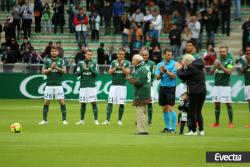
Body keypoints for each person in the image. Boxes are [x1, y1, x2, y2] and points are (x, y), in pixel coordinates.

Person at [175, 54, 206, 135]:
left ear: (187, 61)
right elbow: (187, 75)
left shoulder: (191, 67)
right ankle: (201, 131)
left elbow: (182, 76)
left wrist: (178, 69)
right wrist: (181, 68)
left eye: (184, 61)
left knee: (192, 112)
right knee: (198, 111)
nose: (183, 62)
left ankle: (193, 131)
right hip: (202, 91)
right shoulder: (198, 66)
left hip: (194, 92)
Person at [39, 46, 68, 125]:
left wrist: (57, 68)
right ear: (50, 52)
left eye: (55, 51)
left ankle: (64, 120)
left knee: (62, 102)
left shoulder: (61, 60)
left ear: (58, 52)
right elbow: (43, 72)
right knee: (46, 102)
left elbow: (64, 71)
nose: (54, 52)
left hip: (58, 85)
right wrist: (50, 68)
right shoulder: (47, 61)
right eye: (52, 51)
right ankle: (44, 120)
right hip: (49, 85)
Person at [102, 48, 131, 125]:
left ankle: (119, 120)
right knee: (110, 102)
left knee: (121, 103)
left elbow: (127, 72)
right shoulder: (113, 62)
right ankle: (107, 120)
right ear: (117, 54)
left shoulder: (127, 62)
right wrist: (115, 67)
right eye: (119, 54)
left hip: (122, 86)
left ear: (124, 55)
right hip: (113, 85)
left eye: (122, 54)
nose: (121, 56)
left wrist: (122, 66)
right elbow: (110, 72)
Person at [126, 54, 151, 135]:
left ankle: (142, 130)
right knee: (143, 111)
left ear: (138, 61)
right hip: (146, 91)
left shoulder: (141, 69)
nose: (132, 61)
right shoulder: (145, 67)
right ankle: (144, 129)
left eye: (133, 60)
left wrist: (129, 78)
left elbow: (138, 82)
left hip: (141, 92)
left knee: (140, 111)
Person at [210, 46, 234, 128]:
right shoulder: (217, 60)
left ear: (227, 52)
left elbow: (229, 72)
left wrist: (220, 67)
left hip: (225, 86)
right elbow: (211, 72)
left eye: (224, 51)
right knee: (217, 104)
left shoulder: (230, 61)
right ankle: (217, 123)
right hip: (216, 86)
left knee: (228, 104)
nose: (222, 53)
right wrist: (214, 66)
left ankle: (231, 122)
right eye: (220, 51)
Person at [155, 49, 177, 133]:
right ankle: (167, 128)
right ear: (164, 55)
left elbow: (173, 76)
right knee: (164, 108)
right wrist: (161, 73)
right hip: (162, 88)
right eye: (168, 55)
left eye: (171, 55)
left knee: (170, 108)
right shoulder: (159, 64)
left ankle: (173, 129)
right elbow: (157, 78)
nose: (170, 56)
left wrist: (165, 71)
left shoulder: (174, 64)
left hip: (171, 88)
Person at [75, 49, 99, 125]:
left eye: (91, 55)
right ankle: (82, 120)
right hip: (83, 86)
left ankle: (96, 120)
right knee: (83, 103)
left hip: (91, 86)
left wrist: (90, 68)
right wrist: (83, 69)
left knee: (94, 103)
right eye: (88, 54)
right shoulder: (80, 63)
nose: (90, 56)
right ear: (85, 55)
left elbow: (96, 74)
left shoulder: (94, 63)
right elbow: (77, 74)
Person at [141, 48, 156, 125]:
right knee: (141, 105)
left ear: (148, 55)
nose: (144, 56)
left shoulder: (152, 63)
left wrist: (146, 70)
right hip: (141, 87)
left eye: (146, 55)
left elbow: (153, 75)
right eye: (143, 55)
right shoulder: (139, 63)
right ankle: (141, 120)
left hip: (149, 86)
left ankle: (149, 121)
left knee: (149, 104)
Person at [241, 46, 250, 128]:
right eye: (247, 50)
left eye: (249, 50)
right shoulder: (244, 61)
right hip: (247, 84)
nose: (248, 52)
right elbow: (241, 71)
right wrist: (248, 63)